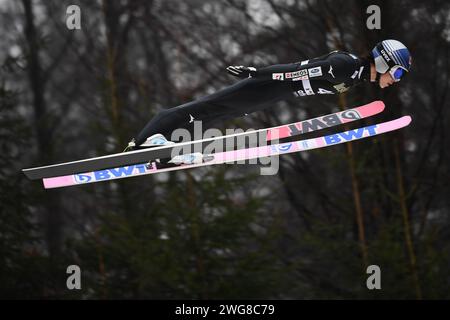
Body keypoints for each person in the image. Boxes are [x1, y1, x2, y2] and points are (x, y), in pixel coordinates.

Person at [125, 39, 412, 164]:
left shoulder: (355, 75)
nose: (396, 79)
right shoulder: (346, 67)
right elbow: (295, 70)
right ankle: (143, 141)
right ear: (384, 61)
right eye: (397, 71)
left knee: (213, 116)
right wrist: (258, 73)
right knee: (204, 108)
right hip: (266, 87)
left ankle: (172, 145)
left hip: (270, 95)